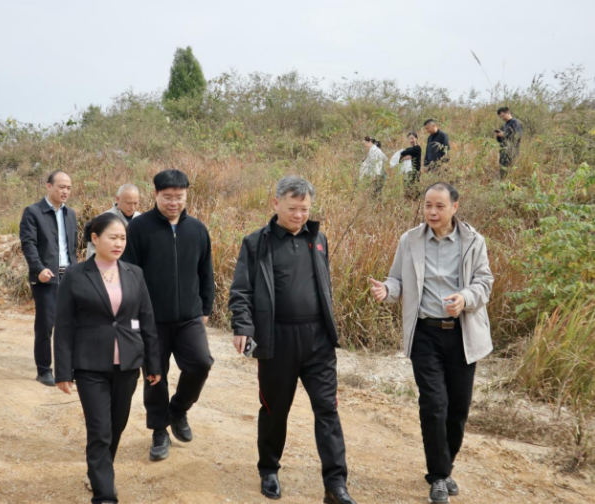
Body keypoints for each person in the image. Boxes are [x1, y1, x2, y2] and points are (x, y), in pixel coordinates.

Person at [229, 176, 357, 504]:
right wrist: (243, 326)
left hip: (317, 339)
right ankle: (269, 469)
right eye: (292, 208)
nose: (299, 215)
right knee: (275, 409)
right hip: (277, 339)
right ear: (276, 204)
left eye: (305, 209)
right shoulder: (256, 243)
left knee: (327, 409)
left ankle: (335, 485)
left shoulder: (318, 238)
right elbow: (241, 289)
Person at [369, 182, 494, 504]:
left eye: (439, 206)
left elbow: (484, 282)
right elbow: (396, 279)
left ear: (455, 207)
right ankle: (438, 476)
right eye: (428, 205)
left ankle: (445, 467)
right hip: (425, 333)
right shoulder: (410, 240)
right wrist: (386, 290)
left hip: (462, 334)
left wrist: (464, 299)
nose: (432, 212)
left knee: (458, 408)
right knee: (434, 404)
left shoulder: (473, 241)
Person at [55, 213, 161, 504]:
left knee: (116, 426)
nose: (118, 243)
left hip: (127, 364)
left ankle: (99, 473)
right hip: (90, 365)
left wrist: (153, 364)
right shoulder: (76, 274)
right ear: (95, 238)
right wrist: (62, 371)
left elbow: (147, 320)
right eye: (113, 237)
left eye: (123, 238)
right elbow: (63, 325)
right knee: (100, 430)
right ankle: (104, 495)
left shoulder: (134, 273)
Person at [122, 169, 214, 462]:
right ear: (156, 194)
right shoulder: (139, 228)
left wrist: (206, 309)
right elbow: (128, 274)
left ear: (186, 195)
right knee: (154, 376)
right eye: (167, 197)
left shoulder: (197, 229)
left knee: (201, 363)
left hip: (189, 317)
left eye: (179, 197)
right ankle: (159, 430)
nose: (174, 203)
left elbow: (206, 272)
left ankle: (178, 409)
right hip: (151, 319)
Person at [20, 171, 78, 387]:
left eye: (68, 188)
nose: (65, 191)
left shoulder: (70, 214)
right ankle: (44, 370)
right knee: (46, 325)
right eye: (61, 187)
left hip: (68, 275)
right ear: (49, 186)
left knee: (72, 324)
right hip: (46, 276)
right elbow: (29, 244)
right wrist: (39, 269)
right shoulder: (33, 212)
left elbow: (72, 247)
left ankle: (69, 369)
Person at [85, 184, 141, 259]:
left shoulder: (141, 219)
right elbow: (92, 251)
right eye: (129, 203)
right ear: (117, 199)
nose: (132, 207)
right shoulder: (103, 220)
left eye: (135, 203)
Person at [495, 106, 523, 179]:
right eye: (500, 117)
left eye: (503, 116)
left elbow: (518, 136)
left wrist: (504, 135)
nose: (502, 118)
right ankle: (503, 182)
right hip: (503, 151)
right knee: (503, 169)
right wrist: (498, 136)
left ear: (508, 112)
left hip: (512, 151)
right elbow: (500, 140)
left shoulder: (515, 123)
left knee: (510, 170)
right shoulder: (504, 126)